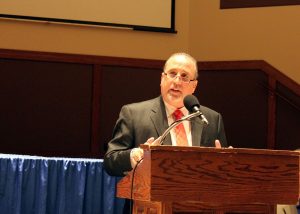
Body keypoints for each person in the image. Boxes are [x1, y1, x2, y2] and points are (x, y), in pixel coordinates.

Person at [103, 52, 227, 213]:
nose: (177, 81)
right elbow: (110, 162)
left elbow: (223, 178)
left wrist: (225, 165)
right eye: (172, 74)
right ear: (162, 78)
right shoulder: (133, 114)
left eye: (184, 77)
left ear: (194, 86)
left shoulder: (211, 119)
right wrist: (137, 156)